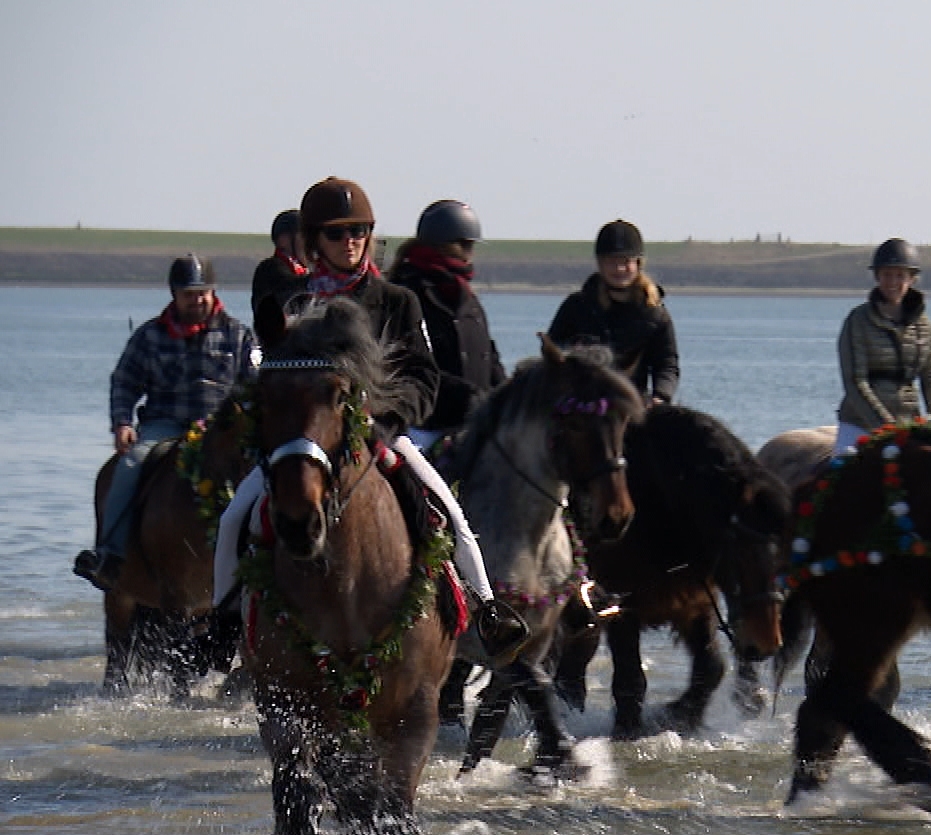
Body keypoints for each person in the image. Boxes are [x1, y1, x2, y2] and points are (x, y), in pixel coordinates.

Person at [213, 177, 527, 663]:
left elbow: (423, 377)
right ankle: (221, 622)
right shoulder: (292, 299)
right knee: (236, 516)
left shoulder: (398, 301)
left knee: (447, 513)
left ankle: (486, 611)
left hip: (378, 435)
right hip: (307, 442)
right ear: (314, 240)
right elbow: (273, 371)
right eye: (337, 233)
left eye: (359, 231)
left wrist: (386, 421)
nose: (350, 241)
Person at [74, 255, 261, 590]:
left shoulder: (239, 335)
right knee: (129, 465)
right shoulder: (149, 335)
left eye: (202, 293)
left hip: (222, 428)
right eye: (189, 294)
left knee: (268, 471)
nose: (197, 300)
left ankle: (270, 555)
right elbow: (124, 381)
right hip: (165, 426)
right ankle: (110, 555)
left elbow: (256, 386)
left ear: (214, 292)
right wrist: (122, 423)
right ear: (174, 294)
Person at [388, 199, 506, 447]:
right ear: (446, 245)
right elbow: (406, 363)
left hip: (473, 424)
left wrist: (507, 394)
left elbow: (488, 355)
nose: (470, 254)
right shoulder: (408, 294)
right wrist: (466, 396)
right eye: (466, 245)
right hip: (425, 426)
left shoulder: (469, 300)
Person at [833, 238, 931, 453]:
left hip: (908, 421)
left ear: (911, 279)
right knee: (842, 466)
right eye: (887, 274)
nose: (892, 282)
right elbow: (855, 381)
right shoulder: (858, 320)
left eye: (900, 275)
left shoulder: (924, 324)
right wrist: (886, 427)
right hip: (859, 423)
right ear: (877, 277)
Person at [547, 220, 680, 404]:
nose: (619, 269)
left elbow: (667, 364)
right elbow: (553, 352)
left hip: (632, 404)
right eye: (611, 262)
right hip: (580, 404)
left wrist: (660, 396)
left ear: (638, 263)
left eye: (626, 261)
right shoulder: (576, 306)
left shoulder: (655, 315)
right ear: (600, 264)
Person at [251, 209, 306, 335]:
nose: (309, 243)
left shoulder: (302, 271)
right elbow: (288, 288)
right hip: (277, 342)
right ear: (284, 240)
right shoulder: (270, 269)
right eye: (304, 236)